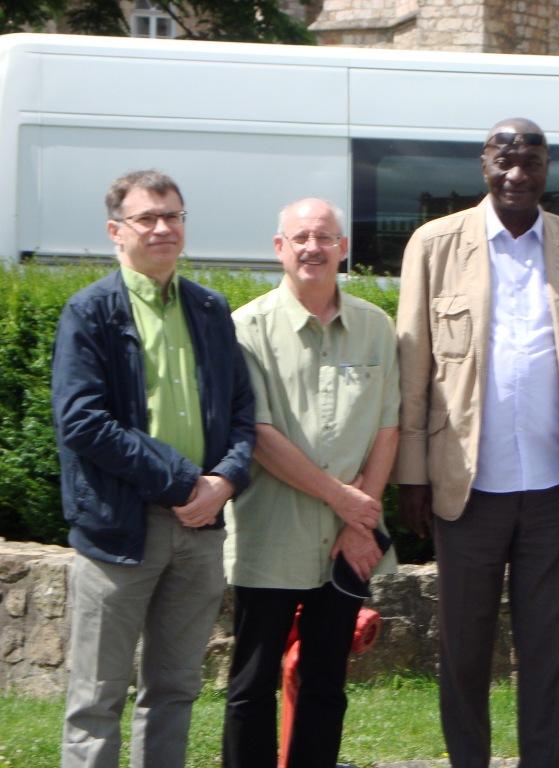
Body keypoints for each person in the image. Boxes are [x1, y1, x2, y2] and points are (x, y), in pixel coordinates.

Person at [394, 117, 559, 767]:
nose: (518, 173)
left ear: (549, 170)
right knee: (464, 649)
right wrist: (412, 475)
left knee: (551, 648)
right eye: (505, 159)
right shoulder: (435, 245)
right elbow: (414, 366)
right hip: (467, 487)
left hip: (555, 487)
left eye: (532, 162)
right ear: (483, 164)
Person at [51, 170, 254, 768]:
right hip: (119, 533)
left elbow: (243, 415)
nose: (164, 228)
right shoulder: (89, 312)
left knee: (174, 692)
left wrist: (225, 482)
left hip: (199, 532)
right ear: (117, 231)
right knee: (96, 698)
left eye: (174, 216)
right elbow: (82, 422)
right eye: (148, 218)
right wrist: (183, 480)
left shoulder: (211, 309)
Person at [222, 198, 399, 768]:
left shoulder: (376, 326)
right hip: (269, 535)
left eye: (324, 237)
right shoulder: (246, 329)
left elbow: (389, 427)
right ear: (279, 248)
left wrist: (360, 520)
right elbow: (261, 434)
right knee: (251, 685)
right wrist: (345, 501)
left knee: (326, 684)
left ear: (342, 248)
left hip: (348, 543)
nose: (312, 248)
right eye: (299, 237)